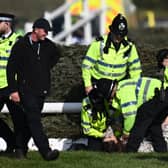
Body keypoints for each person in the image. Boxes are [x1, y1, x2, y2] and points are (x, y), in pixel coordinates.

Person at [6, 18, 61, 160]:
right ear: (35, 29)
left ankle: (19, 149)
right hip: (25, 90)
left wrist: (43, 68)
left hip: (41, 91)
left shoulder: (49, 46)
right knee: (34, 120)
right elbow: (11, 69)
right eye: (45, 31)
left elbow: (56, 55)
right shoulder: (20, 45)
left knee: (28, 122)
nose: (46, 34)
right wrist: (13, 90)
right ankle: (46, 151)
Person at [81, 13, 142, 95]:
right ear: (111, 31)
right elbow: (86, 66)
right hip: (98, 87)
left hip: (118, 87)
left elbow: (135, 69)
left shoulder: (130, 47)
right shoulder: (98, 44)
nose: (119, 38)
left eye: (122, 35)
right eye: (117, 34)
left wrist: (135, 86)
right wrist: (88, 85)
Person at [108, 76, 168, 152]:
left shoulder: (123, 91)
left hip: (160, 94)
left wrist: (126, 133)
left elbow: (130, 115)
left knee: (141, 118)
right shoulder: (123, 85)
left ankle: (130, 150)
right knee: (154, 125)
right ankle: (161, 150)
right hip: (164, 94)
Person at [0, 12, 24, 154]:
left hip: (12, 87)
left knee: (19, 120)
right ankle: (11, 141)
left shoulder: (18, 41)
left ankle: (19, 150)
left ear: (7, 24)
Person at [81, 79, 123, 152]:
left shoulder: (107, 100)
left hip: (109, 129)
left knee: (115, 148)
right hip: (95, 133)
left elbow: (117, 118)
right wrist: (102, 135)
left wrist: (115, 133)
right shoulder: (86, 105)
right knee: (93, 151)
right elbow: (86, 129)